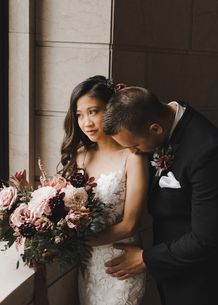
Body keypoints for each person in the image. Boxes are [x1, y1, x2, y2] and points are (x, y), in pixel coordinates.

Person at [102, 86, 218, 305]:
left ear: (155, 129)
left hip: (202, 280)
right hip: (174, 272)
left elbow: (207, 238)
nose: (134, 153)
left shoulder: (209, 153)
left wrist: (145, 259)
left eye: (135, 145)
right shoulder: (157, 121)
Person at [59, 76, 148, 305]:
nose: (86, 122)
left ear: (110, 110)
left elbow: (131, 224)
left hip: (121, 266)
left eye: (93, 111)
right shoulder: (80, 156)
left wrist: (78, 242)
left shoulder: (133, 158)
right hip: (89, 267)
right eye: (79, 114)